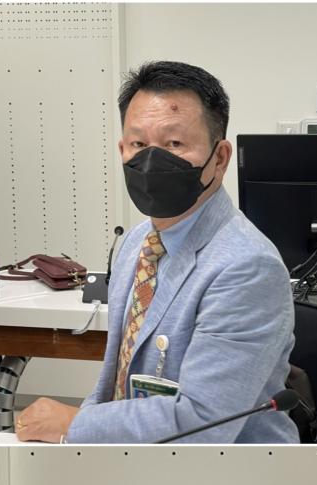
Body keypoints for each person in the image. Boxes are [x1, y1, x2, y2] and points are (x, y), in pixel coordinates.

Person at [15, 61, 298, 444]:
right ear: (122, 150)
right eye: (138, 144)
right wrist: (79, 437)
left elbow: (203, 421)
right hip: (139, 458)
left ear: (219, 158)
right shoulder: (138, 242)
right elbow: (118, 382)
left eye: (174, 144)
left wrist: (73, 424)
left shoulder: (247, 266)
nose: (151, 160)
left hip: (226, 468)